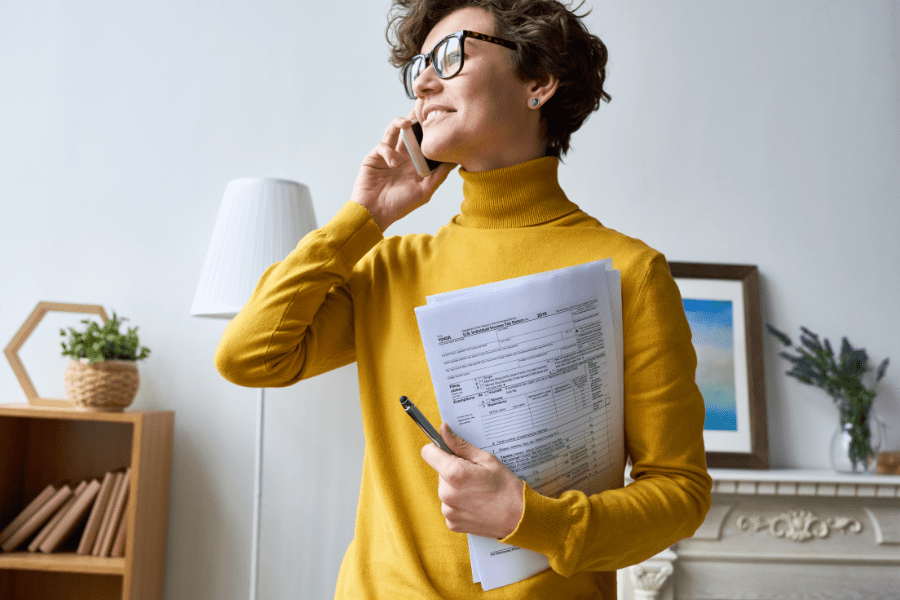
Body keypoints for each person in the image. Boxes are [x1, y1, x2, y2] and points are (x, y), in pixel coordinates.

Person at [214, 0, 712, 597]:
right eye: (418, 65)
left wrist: (533, 519)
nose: (423, 81)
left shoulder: (631, 271)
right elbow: (247, 357)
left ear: (539, 81)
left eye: (450, 55)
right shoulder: (392, 265)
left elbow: (679, 493)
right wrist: (363, 218)